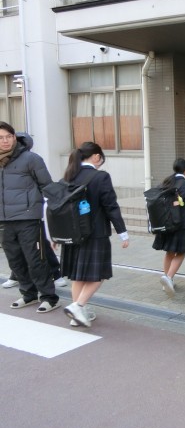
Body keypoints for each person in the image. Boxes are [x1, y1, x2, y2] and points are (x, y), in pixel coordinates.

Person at [60, 142, 129, 327]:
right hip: (95, 233)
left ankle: (77, 315)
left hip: (72, 233)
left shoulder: (69, 175)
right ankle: (77, 307)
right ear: (97, 156)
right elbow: (110, 206)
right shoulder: (101, 177)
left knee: (78, 275)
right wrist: (122, 232)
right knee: (98, 274)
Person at [0, 122, 59, 313]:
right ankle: (28, 294)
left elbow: (47, 185)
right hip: (4, 220)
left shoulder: (31, 159)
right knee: (15, 260)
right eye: (1, 138)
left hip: (28, 218)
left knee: (35, 260)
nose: (5, 141)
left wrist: (59, 213)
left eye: (8, 136)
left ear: (14, 137)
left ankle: (49, 297)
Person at [152, 158, 185, 297]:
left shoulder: (166, 181)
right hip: (181, 224)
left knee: (170, 252)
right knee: (181, 252)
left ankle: (167, 281)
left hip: (166, 222)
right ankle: (169, 277)